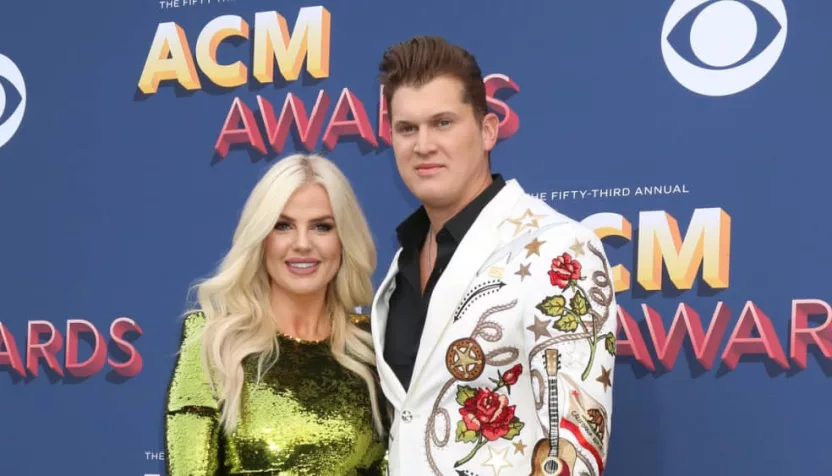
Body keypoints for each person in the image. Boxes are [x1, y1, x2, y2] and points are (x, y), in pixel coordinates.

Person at [370, 36, 617, 475]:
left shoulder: (560, 248)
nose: (422, 144)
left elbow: (572, 453)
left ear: (487, 131)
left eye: (442, 123)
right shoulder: (401, 264)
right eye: (407, 128)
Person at [163, 153, 387, 475]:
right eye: (283, 226)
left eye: (321, 227)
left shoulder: (375, 346)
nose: (302, 244)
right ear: (261, 239)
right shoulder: (212, 343)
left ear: (344, 240)